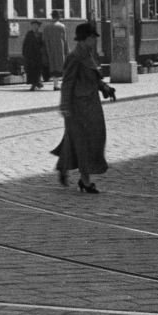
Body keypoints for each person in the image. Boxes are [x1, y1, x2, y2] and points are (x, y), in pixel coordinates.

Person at [52, 22, 114, 193]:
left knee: (76, 139)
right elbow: (67, 83)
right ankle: (85, 181)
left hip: (90, 104)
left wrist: (105, 87)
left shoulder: (87, 53)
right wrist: (64, 106)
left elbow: (92, 77)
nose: (95, 41)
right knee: (84, 142)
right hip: (78, 107)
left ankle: (64, 168)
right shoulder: (75, 56)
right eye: (93, 37)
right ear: (85, 39)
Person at [45, 10, 69, 91]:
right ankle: (56, 85)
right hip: (60, 49)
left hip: (50, 49)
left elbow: (44, 39)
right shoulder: (61, 26)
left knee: (53, 66)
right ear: (58, 17)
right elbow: (65, 39)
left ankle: (55, 85)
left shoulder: (47, 26)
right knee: (60, 67)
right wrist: (66, 50)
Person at [22, 19, 49, 90]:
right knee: (31, 70)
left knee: (38, 70)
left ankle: (36, 83)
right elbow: (25, 44)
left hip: (38, 55)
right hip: (30, 55)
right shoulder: (29, 34)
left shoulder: (41, 34)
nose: (34, 27)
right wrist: (24, 53)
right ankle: (35, 84)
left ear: (39, 26)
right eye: (33, 25)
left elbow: (43, 44)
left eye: (36, 25)